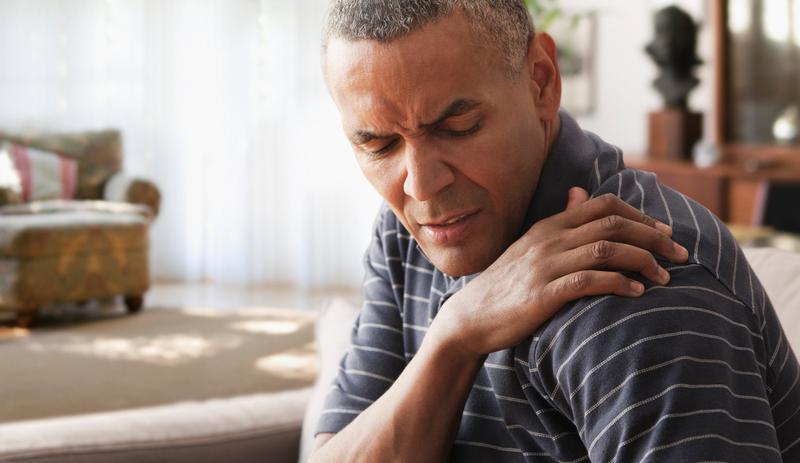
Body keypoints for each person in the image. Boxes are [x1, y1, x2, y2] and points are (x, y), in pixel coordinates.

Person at [311, 1, 800, 461]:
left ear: (541, 82)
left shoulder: (643, 297)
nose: (420, 185)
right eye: (378, 146)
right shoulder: (408, 231)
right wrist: (455, 337)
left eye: (458, 125)